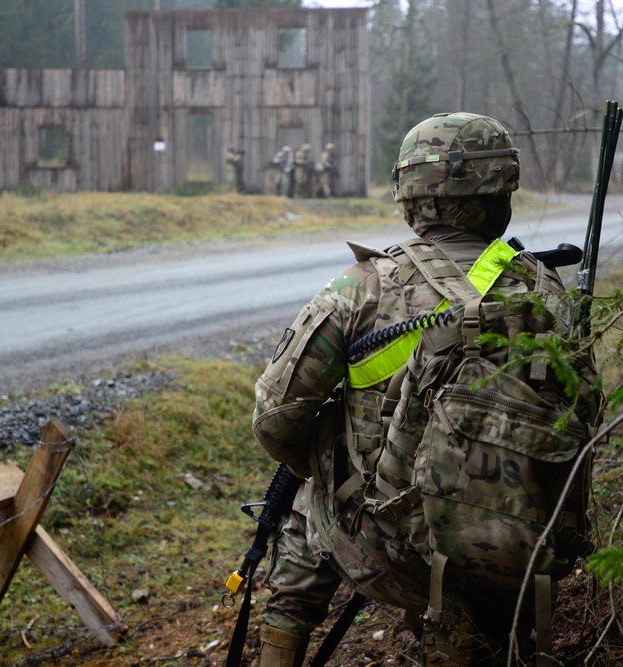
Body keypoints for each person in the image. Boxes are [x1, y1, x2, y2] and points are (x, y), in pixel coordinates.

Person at [251, 112, 600, 667]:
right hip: (519, 555)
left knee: (300, 495)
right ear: (501, 194)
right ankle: (477, 637)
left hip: (387, 552)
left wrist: (322, 463)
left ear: (410, 198)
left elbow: (275, 420)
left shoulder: (363, 287)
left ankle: (283, 637)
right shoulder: (545, 288)